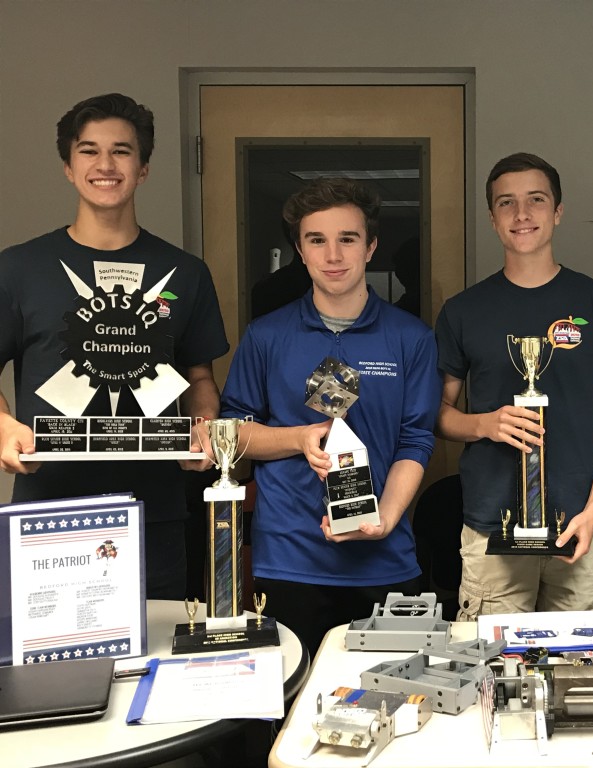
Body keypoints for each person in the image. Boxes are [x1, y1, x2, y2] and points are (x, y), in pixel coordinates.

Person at [0, 93, 228, 599]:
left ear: (143, 168)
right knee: (53, 670)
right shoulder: (18, 268)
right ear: (68, 166)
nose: (105, 165)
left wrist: (205, 425)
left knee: (153, 661)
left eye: (122, 151)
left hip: (156, 512)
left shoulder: (185, 273)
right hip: (49, 509)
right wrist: (4, 427)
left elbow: (200, 377)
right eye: (89, 150)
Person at [219, 178, 440, 655]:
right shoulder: (266, 336)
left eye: (348, 239)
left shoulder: (411, 338)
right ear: (300, 250)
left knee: (392, 704)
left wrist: (387, 516)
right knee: (292, 707)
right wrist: (298, 438)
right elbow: (232, 433)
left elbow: (416, 440)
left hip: (384, 555)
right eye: (317, 240)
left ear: (371, 246)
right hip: (290, 557)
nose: (333, 255)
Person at [435, 152, 593, 620]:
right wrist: (485, 424)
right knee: (491, 673)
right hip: (493, 527)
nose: (521, 214)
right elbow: (438, 414)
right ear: (492, 218)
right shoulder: (463, 311)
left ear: (558, 211)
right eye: (506, 203)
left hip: (583, 522)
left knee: (584, 676)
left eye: (536, 200)